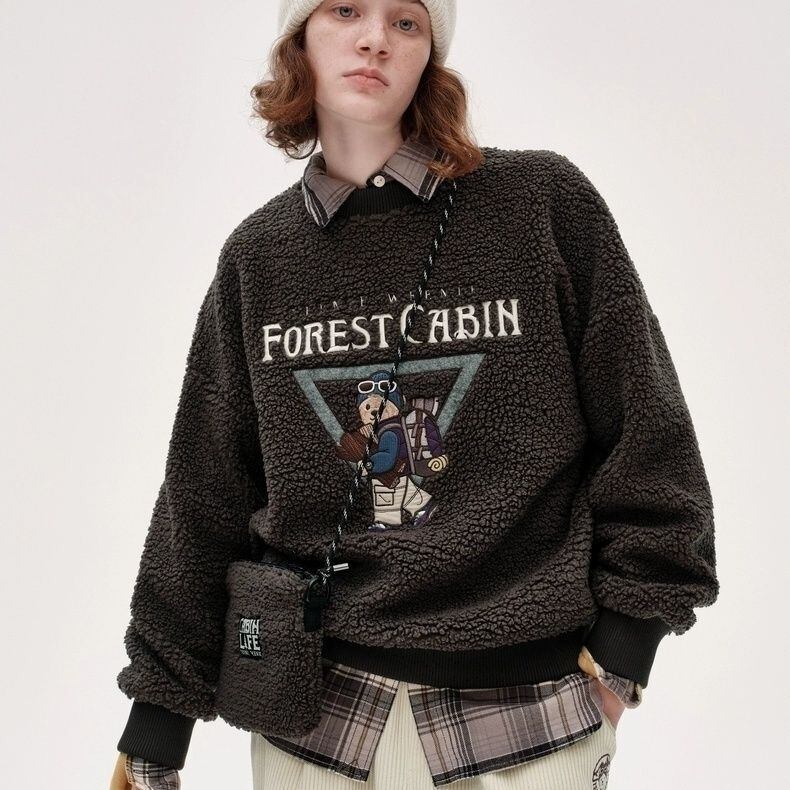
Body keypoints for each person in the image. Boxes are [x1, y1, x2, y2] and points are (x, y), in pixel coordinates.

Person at [110, 1, 719, 788]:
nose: (374, 38)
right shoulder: (258, 258)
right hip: (315, 728)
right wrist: (156, 725)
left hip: (525, 718)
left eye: (406, 21)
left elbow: (649, 436)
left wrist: (623, 656)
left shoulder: (539, 205)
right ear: (299, 39)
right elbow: (203, 494)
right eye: (345, 10)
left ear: (430, 52)